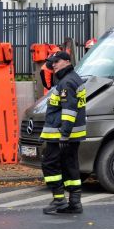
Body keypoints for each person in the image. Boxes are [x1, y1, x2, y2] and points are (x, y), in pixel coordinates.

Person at [39, 51, 86, 214]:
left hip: (60, 133)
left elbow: (69, 110)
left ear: (66, 61)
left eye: (56, 61)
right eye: (52, 62)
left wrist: (64, 133)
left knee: (50, 164)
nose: (53, 65)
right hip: (69, 133)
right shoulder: (72, 78)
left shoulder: (67, 82)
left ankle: (59, 200)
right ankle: (74, 202)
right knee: (69, 165)